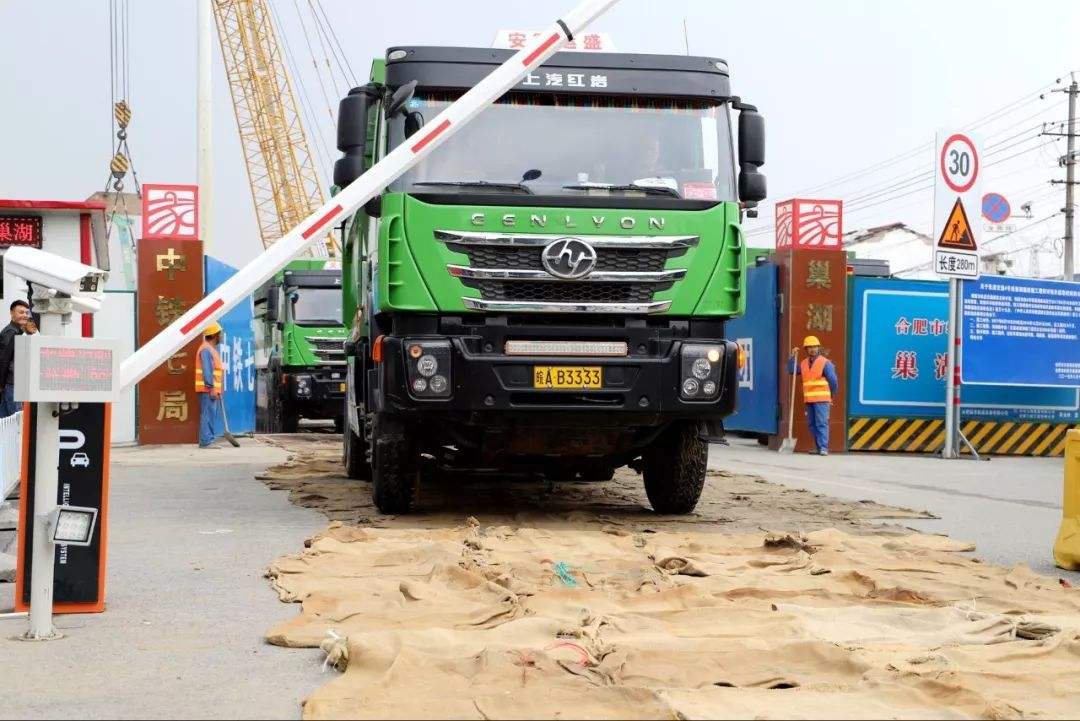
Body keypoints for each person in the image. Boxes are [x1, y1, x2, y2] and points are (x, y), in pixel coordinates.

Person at [788, 335, 839, 456]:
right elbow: (792, 371)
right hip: (809, 399)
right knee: (812, 424)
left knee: (821, 423)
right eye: (809, 347)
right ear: (806, 349)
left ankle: (823, 447)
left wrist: (831, 395)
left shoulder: (825, 363)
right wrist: (792, 357)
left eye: (814, 346)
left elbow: (833, 381)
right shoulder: (803, 364)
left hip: (822, 399)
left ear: (818, 347)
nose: (812, 349)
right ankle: (818, 447)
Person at [195, 322, 225, 449]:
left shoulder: (210, 349)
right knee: (207, 414)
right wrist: (212, 387)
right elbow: (207, 370)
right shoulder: (206, 350)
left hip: (210, 389)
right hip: (207, 389)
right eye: (219, 333)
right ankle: (206, 441)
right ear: (214, 335)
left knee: (210, 414)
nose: (221, 335)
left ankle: (209, 440)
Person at [0, 300, 31, 418]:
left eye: (26, 313)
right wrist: (1, 385)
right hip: (12, 386)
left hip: (11, 385)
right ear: (12, 313)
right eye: (21, 312)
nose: (25, 315)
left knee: (5, 423)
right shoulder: (11, 332)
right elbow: (4, 360)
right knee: (17, 423)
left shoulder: (17, 332)